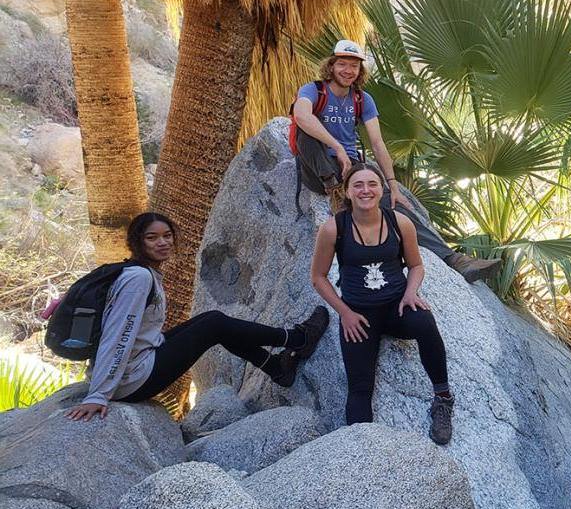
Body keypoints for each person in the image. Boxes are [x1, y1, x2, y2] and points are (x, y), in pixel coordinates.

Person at [65, 213, 328, 421]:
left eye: (167, 236)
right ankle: (297, 339)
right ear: (137, 242)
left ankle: (276, 367)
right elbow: (119, 333)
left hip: (137, 365)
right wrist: (99, 394)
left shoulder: (138, 272)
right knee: (213, 325)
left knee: (211, 322)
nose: (163, 242)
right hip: (132, 380)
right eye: (152, 238)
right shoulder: (138, 278)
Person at [292, 39, 502, 282]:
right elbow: (302, 115)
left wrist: (392, 186)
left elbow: (378, 144)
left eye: (354, 66)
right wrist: (337, 146)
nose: (348, 71)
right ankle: (336, 192)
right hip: (318, 171)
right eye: (342, 64)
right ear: (331, 65)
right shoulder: (313, 90)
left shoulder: (362, 99)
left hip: (350, 170)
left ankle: (455, 260)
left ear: (360, 71)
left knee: (396, 205)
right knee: (303, 131)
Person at [309, 162, 455, 444]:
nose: (366, 190)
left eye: (372, 184)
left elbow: (415, 265)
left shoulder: (400, 223)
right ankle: (365, 450)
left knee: (425, 322)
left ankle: (443, 397)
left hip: (396, 307)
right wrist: (345, 314)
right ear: (348, 192)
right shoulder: (333, 229)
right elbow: (318, 277)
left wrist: (412, 292)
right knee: (359, 390)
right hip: (359, 317)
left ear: (382, 189)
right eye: (358, 185)